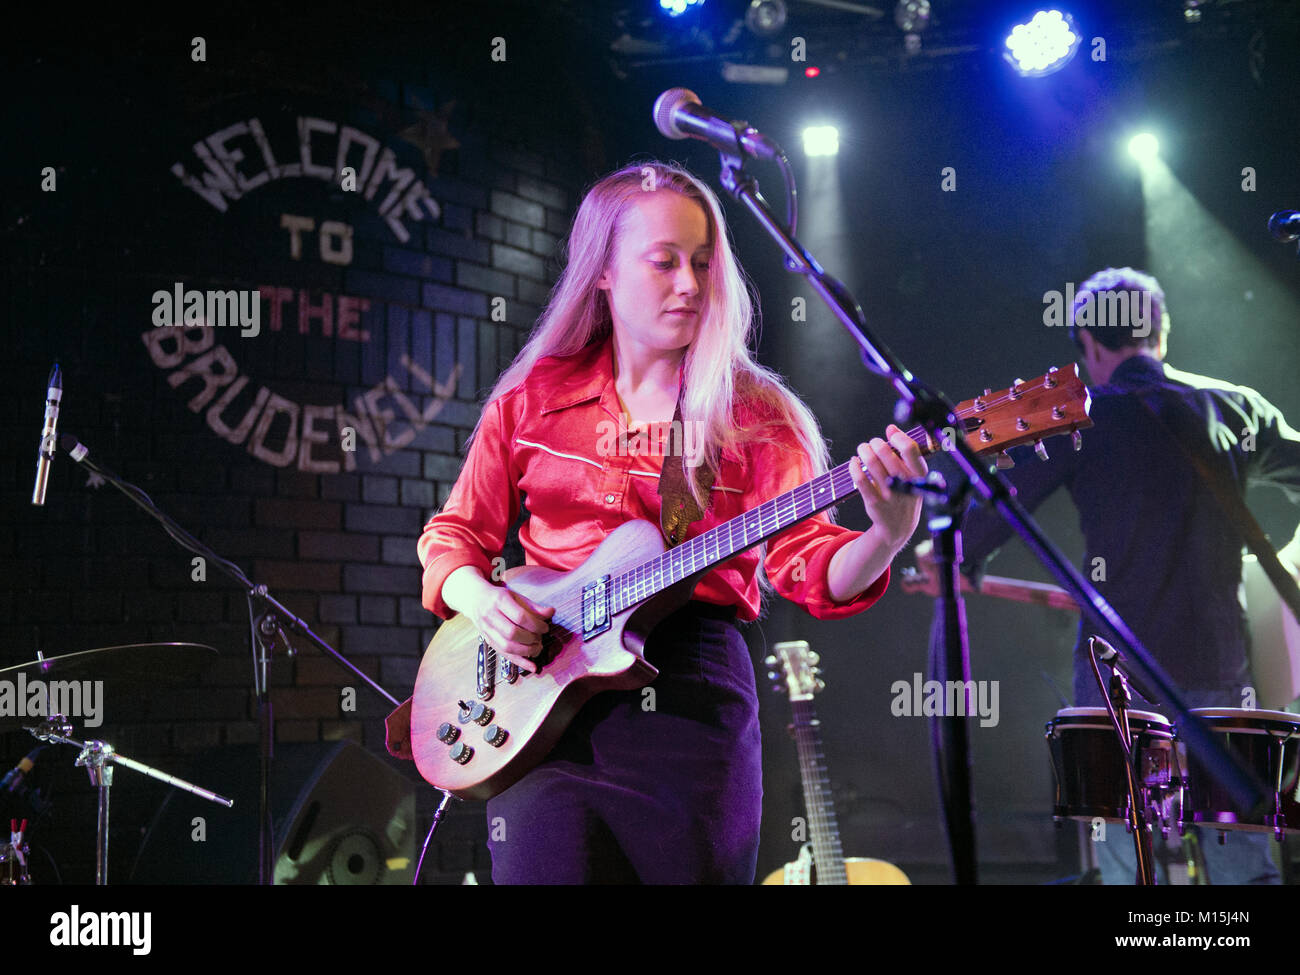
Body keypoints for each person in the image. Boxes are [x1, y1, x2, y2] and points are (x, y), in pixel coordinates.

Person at [415, 161, 927, 884]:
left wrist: (885, 534)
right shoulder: (532, 398)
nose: (689, 283)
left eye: (701, 262)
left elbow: (808, 566)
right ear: (602, 271)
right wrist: (484, 600)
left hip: (691, 694)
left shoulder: (757, 414)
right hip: (541, 699)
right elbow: (453, 537)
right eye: (663, 262)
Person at [948, 266, 1300, 884]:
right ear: (1161, 333)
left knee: (1124, 860)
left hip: (1118, 683)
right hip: (1219, 671)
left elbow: (978, 527)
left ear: (1086, 342)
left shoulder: (1081, 420)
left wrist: (950, 558)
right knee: (1242, 861)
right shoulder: (1235, 406)